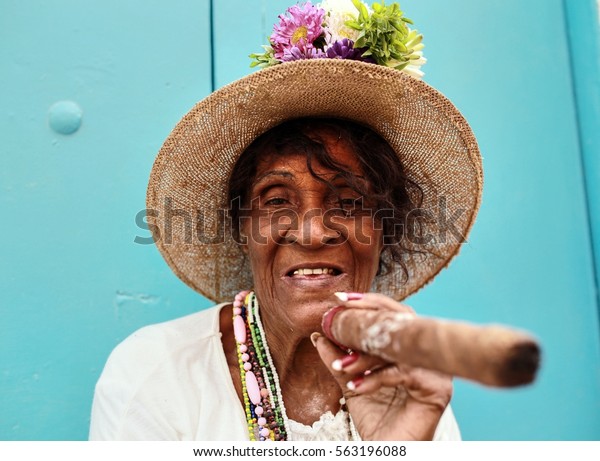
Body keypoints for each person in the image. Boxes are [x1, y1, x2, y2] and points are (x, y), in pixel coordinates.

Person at [89, 0, 482, 441]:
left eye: (349, 201)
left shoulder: (409, 386)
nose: (313, 233)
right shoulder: (155, 375)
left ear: (385, 230)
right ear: (242, 229)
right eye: (276, 201)